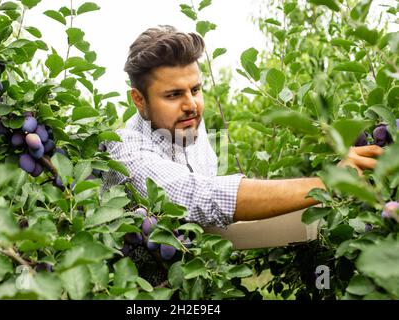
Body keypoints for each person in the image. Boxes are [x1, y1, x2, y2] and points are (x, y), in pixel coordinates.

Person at [102, 25, 383, 229]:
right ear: (139, 100)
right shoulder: (125, 150)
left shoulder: (191, 135)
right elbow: (200, 196)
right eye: (174, 95)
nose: (192, 105)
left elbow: (211, 219)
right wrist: (328, 183)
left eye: (196, 90)